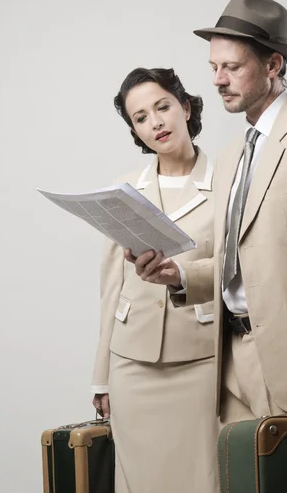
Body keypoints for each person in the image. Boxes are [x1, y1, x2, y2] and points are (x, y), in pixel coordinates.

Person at [125, 0, 287, 426]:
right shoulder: (230, 156)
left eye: (232, 67)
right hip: (232, 368)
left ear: (273, 65)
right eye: (213, 68)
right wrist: (179, 274)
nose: (218, 80)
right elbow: (238, 263)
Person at [90, 67, 219, 492]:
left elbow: (243, 273)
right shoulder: (124, 190)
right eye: (141, 117)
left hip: (202, 359)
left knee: (204, 478)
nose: (156, 122)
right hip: (131, 365)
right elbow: (111, 289)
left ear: (184, 106)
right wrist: (101, 377)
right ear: (135, 130)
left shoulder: (230, 183)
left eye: (162, 107)